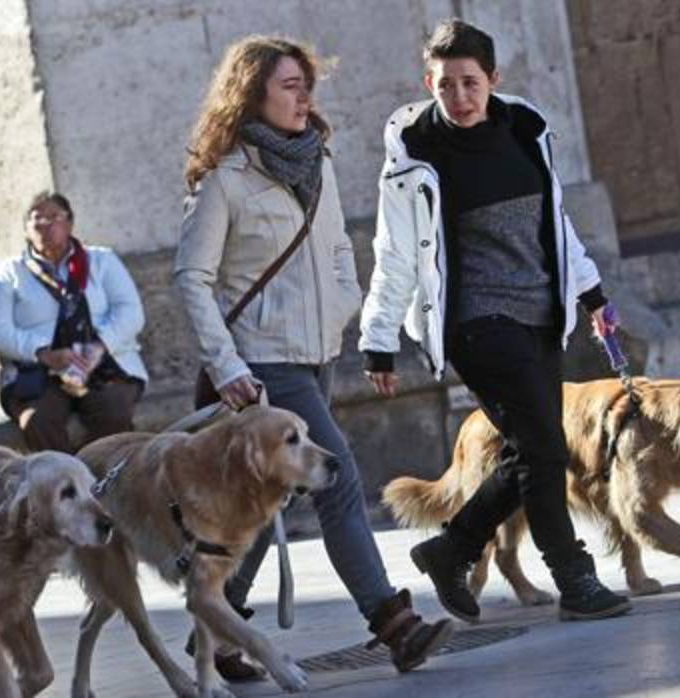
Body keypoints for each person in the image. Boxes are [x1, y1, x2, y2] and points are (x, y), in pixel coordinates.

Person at [174, 35, 453, 680]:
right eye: (289, 86)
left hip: (316, 354)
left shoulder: (316, 161)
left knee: (267, 495)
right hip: (262, 368)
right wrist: (227, 367)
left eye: (307, 85)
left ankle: (215, 628)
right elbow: (190, 279)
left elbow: (335, 247)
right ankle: (393, 622)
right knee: (337, 476)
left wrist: (345, 303)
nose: (304, 98)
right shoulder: (224, 180)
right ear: (252, 95)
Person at [358, 18, 632, 622]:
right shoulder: (414, 157)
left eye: (470, 83)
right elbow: (395, 252)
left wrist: (592, 295)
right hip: (476, 321)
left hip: (540, 313)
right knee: (545, 446)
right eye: (445, 84)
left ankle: (451, 548)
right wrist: (378, 340)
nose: (458, 97)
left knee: (532, 448)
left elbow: (555, 224)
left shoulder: (525, 132)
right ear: (428, 83)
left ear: (493, 79)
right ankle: (574, 578)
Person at [0, 191, 147, 453]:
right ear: (26, 230)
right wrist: (44, 354)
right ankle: (66, 477)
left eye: (54, 217)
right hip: (37, 373)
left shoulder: (101, 261)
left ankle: (102, 475)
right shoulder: (10, 272)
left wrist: (98, 347)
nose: (45, 225)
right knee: (37, 421)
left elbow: (130, 312)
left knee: (113, 413)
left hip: (104, 365)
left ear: (70, 223)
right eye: (37, 219)